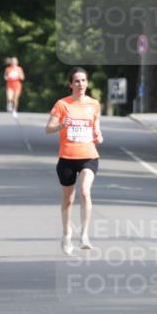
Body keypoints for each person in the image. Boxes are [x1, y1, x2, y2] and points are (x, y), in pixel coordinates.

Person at [45, 67, 103, 255]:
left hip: (89, 156)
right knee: (68, 200)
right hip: (67, 158)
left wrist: (98, 134)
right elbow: (48, 128)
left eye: (83, 80)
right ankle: (66, 234)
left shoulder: (94, 104)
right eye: (76, 81)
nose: (80, 84)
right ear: (70, 84)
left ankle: (84, 235)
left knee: (85, 191)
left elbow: (96, 126)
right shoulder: (62, 104)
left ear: (87, 83)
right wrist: (61, 125)